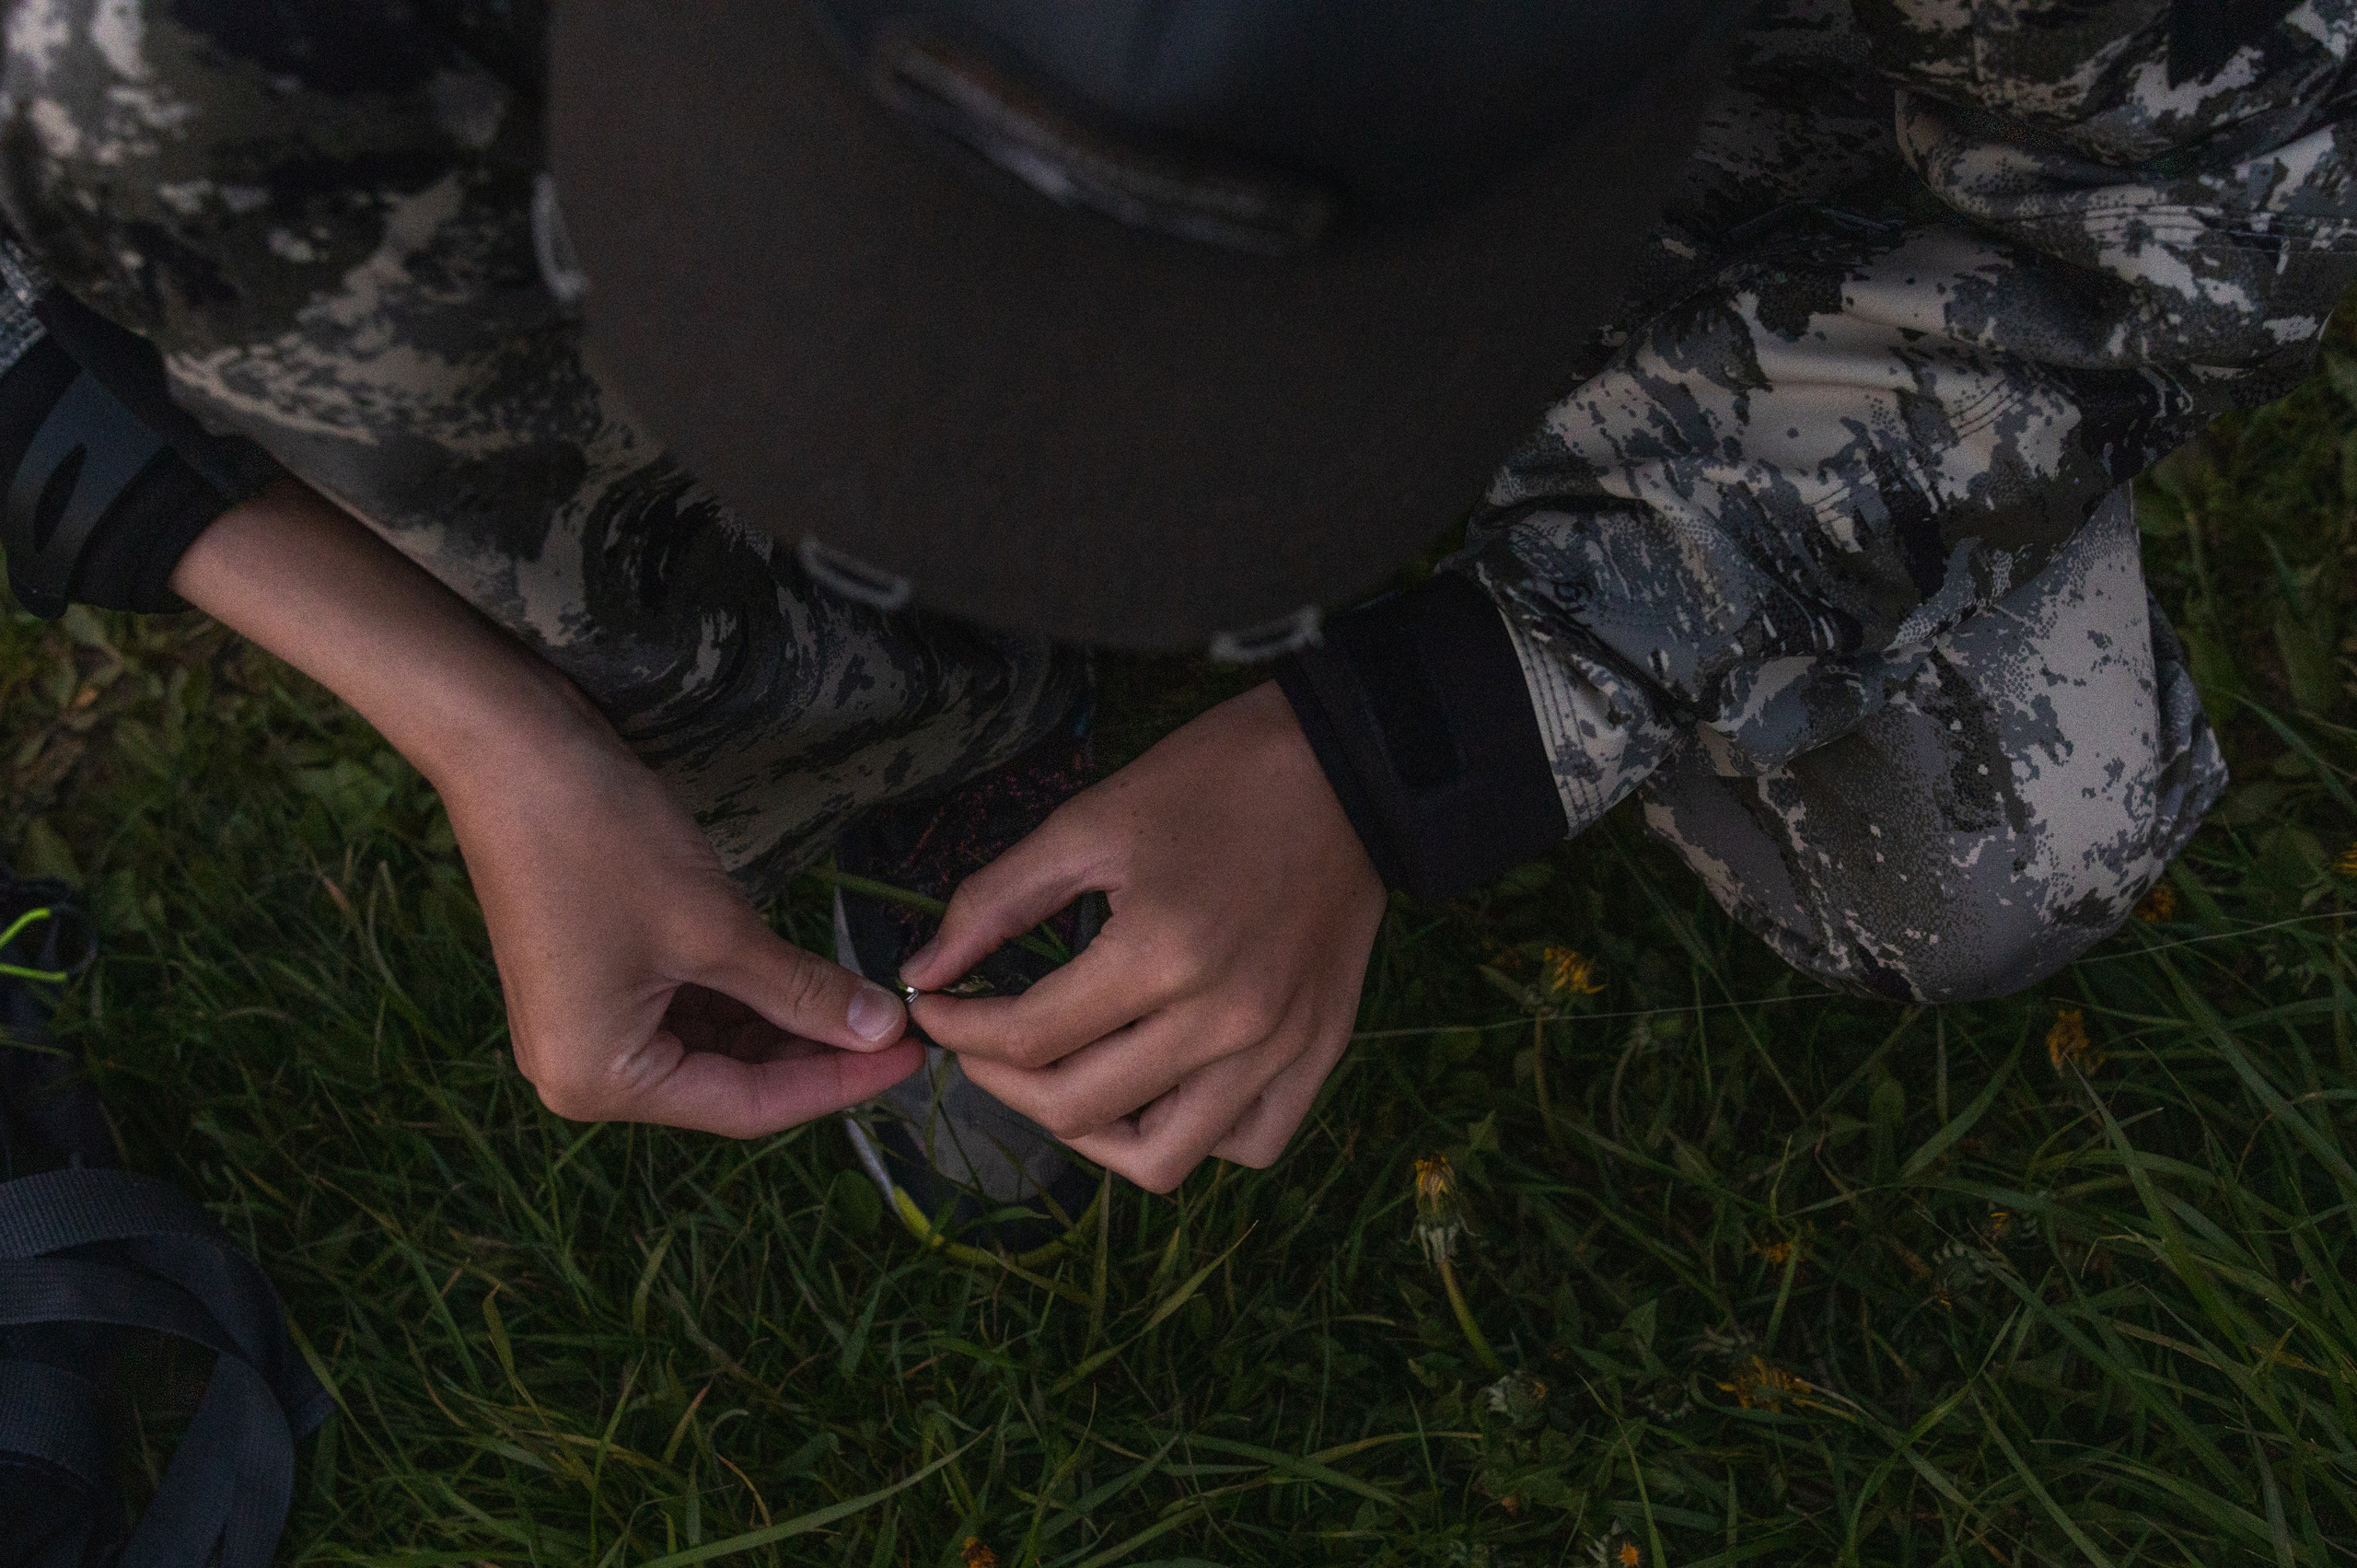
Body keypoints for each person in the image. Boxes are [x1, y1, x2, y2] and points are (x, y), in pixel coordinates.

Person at [0, 0, 2346, 1248]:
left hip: (1689, 116)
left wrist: (1423, 727)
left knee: (1989, 856)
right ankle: (877, 754)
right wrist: (489, 728)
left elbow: (2192, 211)